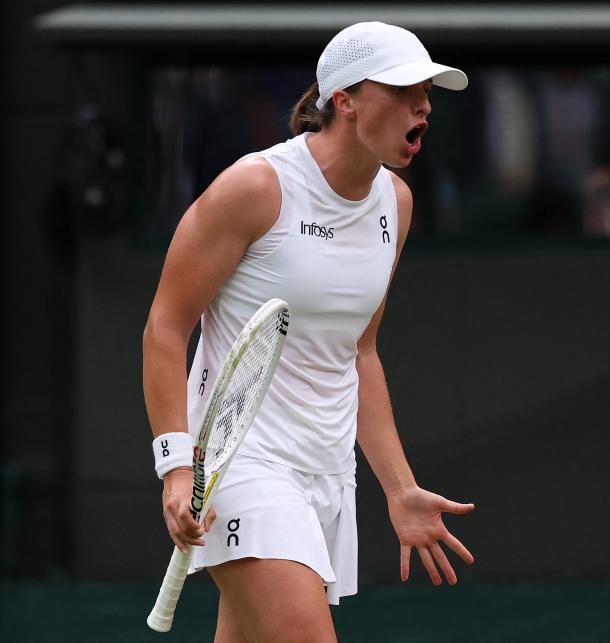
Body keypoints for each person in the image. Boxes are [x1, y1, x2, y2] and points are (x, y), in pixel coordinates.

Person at [142, 22, 475, 642]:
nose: (423, 104)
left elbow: (360, 355)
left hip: (327, 470)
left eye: (426, 90)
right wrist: (177, 468)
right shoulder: (254, 188)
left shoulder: (395, 204)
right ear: (344, 100)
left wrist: (399, 490)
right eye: (404, 89)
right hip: (241, 469)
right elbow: (165, 326)